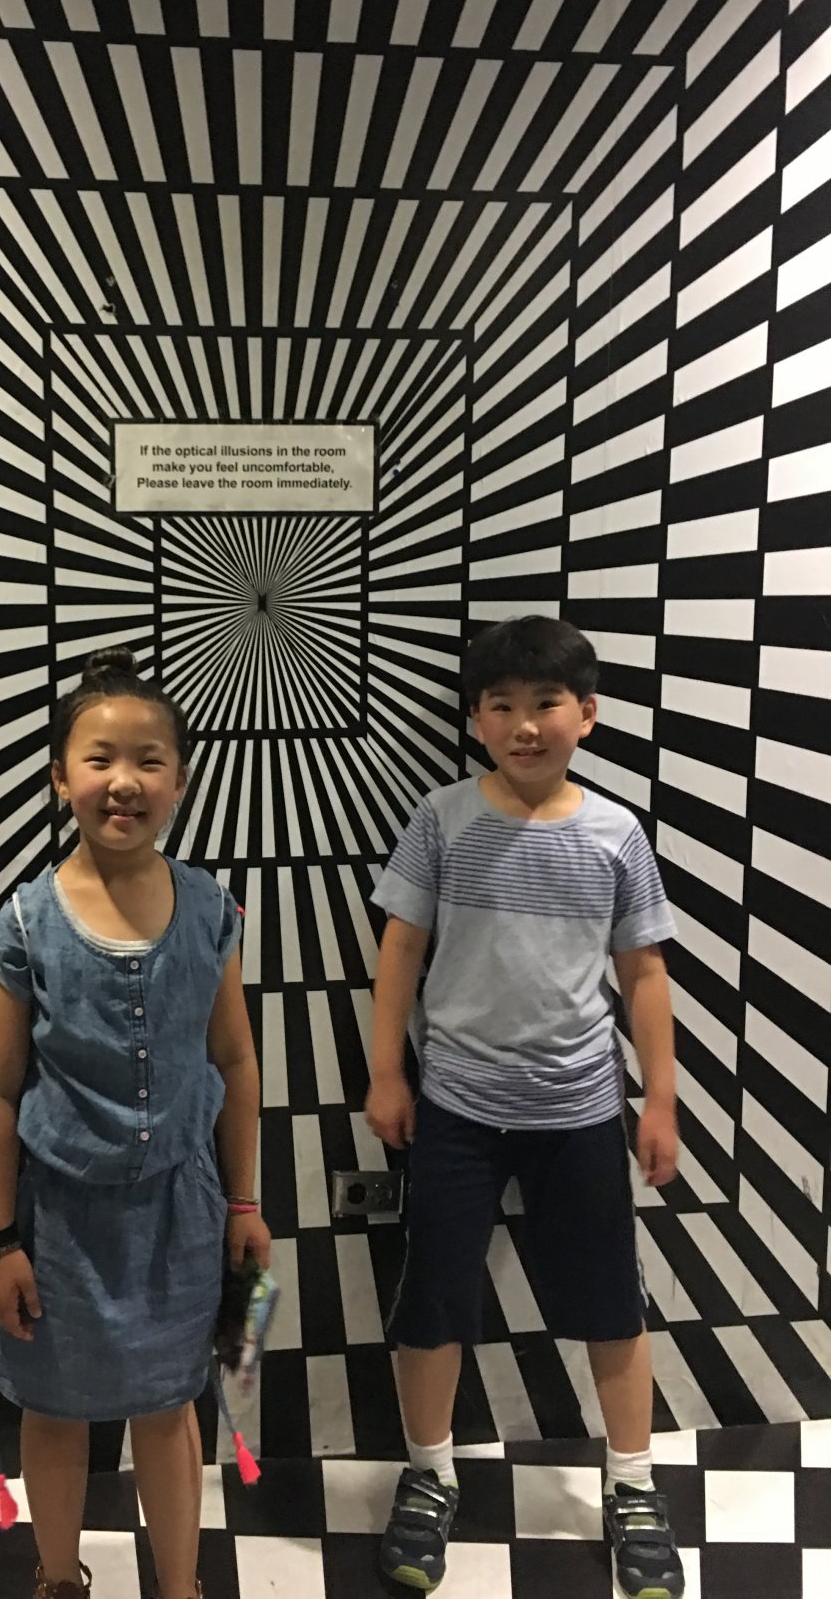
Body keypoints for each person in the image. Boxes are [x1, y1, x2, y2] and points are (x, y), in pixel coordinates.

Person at [365, 616, 684, 1599]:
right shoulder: (441, 818)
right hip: (456, 1105)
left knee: (610, 1302)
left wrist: (660, 1100)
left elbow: (643, 972)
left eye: (545, 703)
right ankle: (429, 1473)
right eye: (500, 705)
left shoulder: (615, 832)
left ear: (586, 714)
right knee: (432, 1302)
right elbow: (400, 949)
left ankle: (632, 1484)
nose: (524, 724)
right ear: (475, 720)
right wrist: (386, 1073)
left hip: (580, 1107)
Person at [0, 647, 271, 1599]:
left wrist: (244, 1203)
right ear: (62, 778)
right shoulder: (23, 924)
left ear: (181, 779)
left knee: (171, 1408)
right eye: (99, 759)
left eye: (149, 759)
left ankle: (179, 1587)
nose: (124, 781)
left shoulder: (212, 908)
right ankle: (58, 1577)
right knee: (55, 1411)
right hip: (58, 1223)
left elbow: (235, 1061)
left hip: (181, 1214)